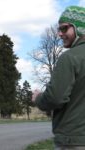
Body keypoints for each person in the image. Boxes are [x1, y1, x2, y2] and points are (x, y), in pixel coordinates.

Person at [33, 6, 85, 150]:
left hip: (74, 140)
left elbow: (55, 98)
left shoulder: (70, 58)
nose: (59, 34)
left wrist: (38, 98)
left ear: (79, 28)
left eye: (64, 29)